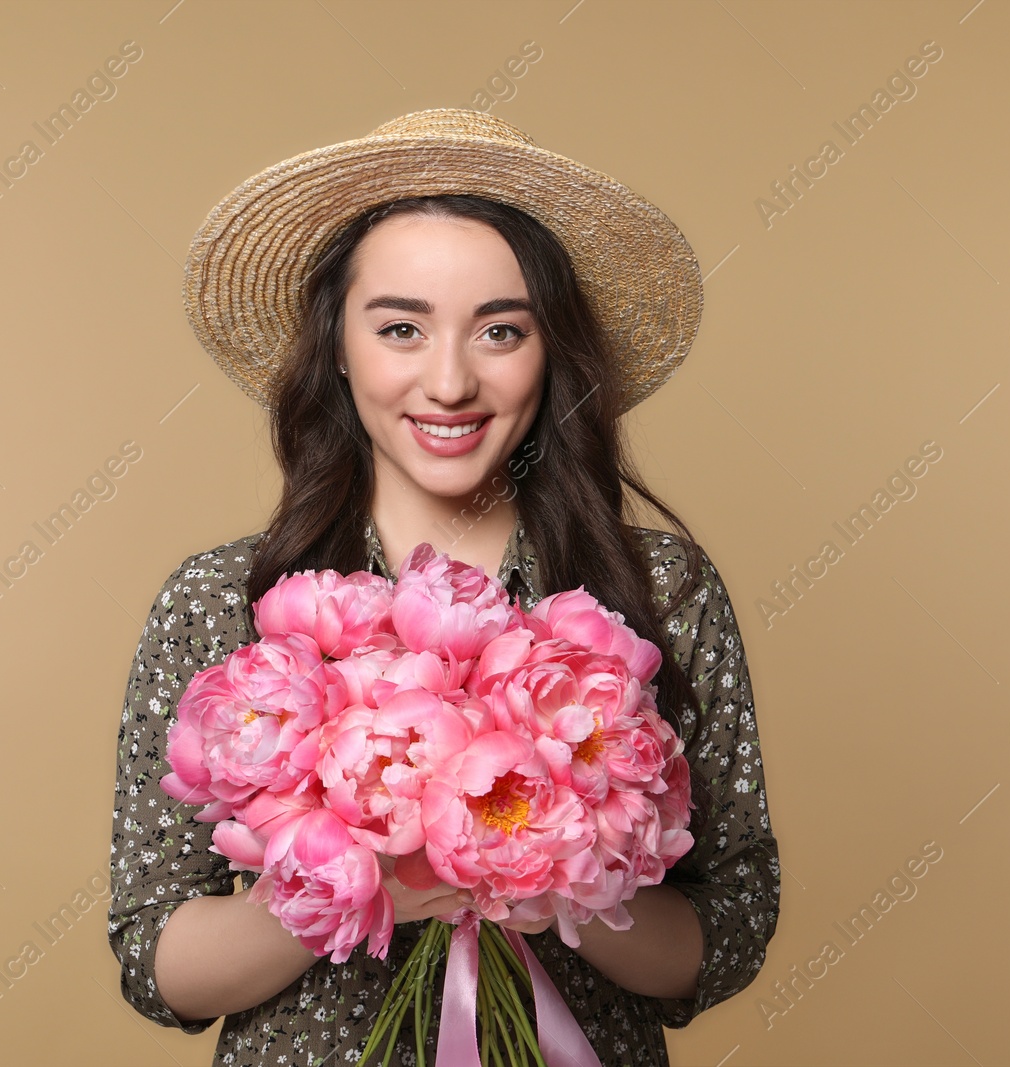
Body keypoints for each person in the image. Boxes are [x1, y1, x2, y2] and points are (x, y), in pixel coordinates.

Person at [107, 108, 780, 1066]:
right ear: (336, 347)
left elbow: (730, 929)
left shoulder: (660, 590)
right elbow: (154, 957)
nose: (451, 380)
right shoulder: (221, 602)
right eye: (401, 328)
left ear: (553, 355)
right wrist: (364, 877)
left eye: (501, 330)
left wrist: (557, 868)